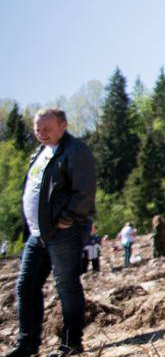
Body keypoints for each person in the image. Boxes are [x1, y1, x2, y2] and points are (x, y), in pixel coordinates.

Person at [8, 108, 96, 357]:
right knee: (26, 286)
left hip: (62, 232)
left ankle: (71, 344)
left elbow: (85, 192)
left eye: (47, 129)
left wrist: (67, 219)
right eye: (37, 129)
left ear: (63, 126)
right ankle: (27, 344)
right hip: (38, 235)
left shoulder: (75, 151)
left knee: (67, 286)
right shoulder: (41, 152)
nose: (41, 134)